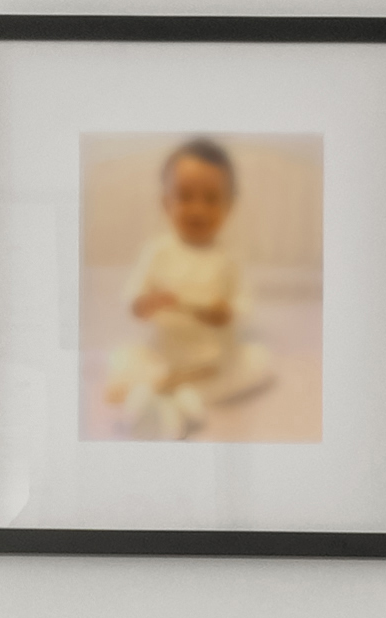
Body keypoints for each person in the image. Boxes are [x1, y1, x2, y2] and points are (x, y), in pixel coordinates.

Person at [104, 135, 281, 436]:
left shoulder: (229, 260)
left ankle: (174, 396)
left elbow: (243, 305)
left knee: (260, 360)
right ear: (166, 203)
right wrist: (145, 303)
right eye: (185, 197)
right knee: (120, 357)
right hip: (163, 355)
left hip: (211, 364)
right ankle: (161, 396)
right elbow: (132, 301)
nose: (198, 209)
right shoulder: (157, 252)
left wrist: (226, 312)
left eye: (211, 199)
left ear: (229, 206)